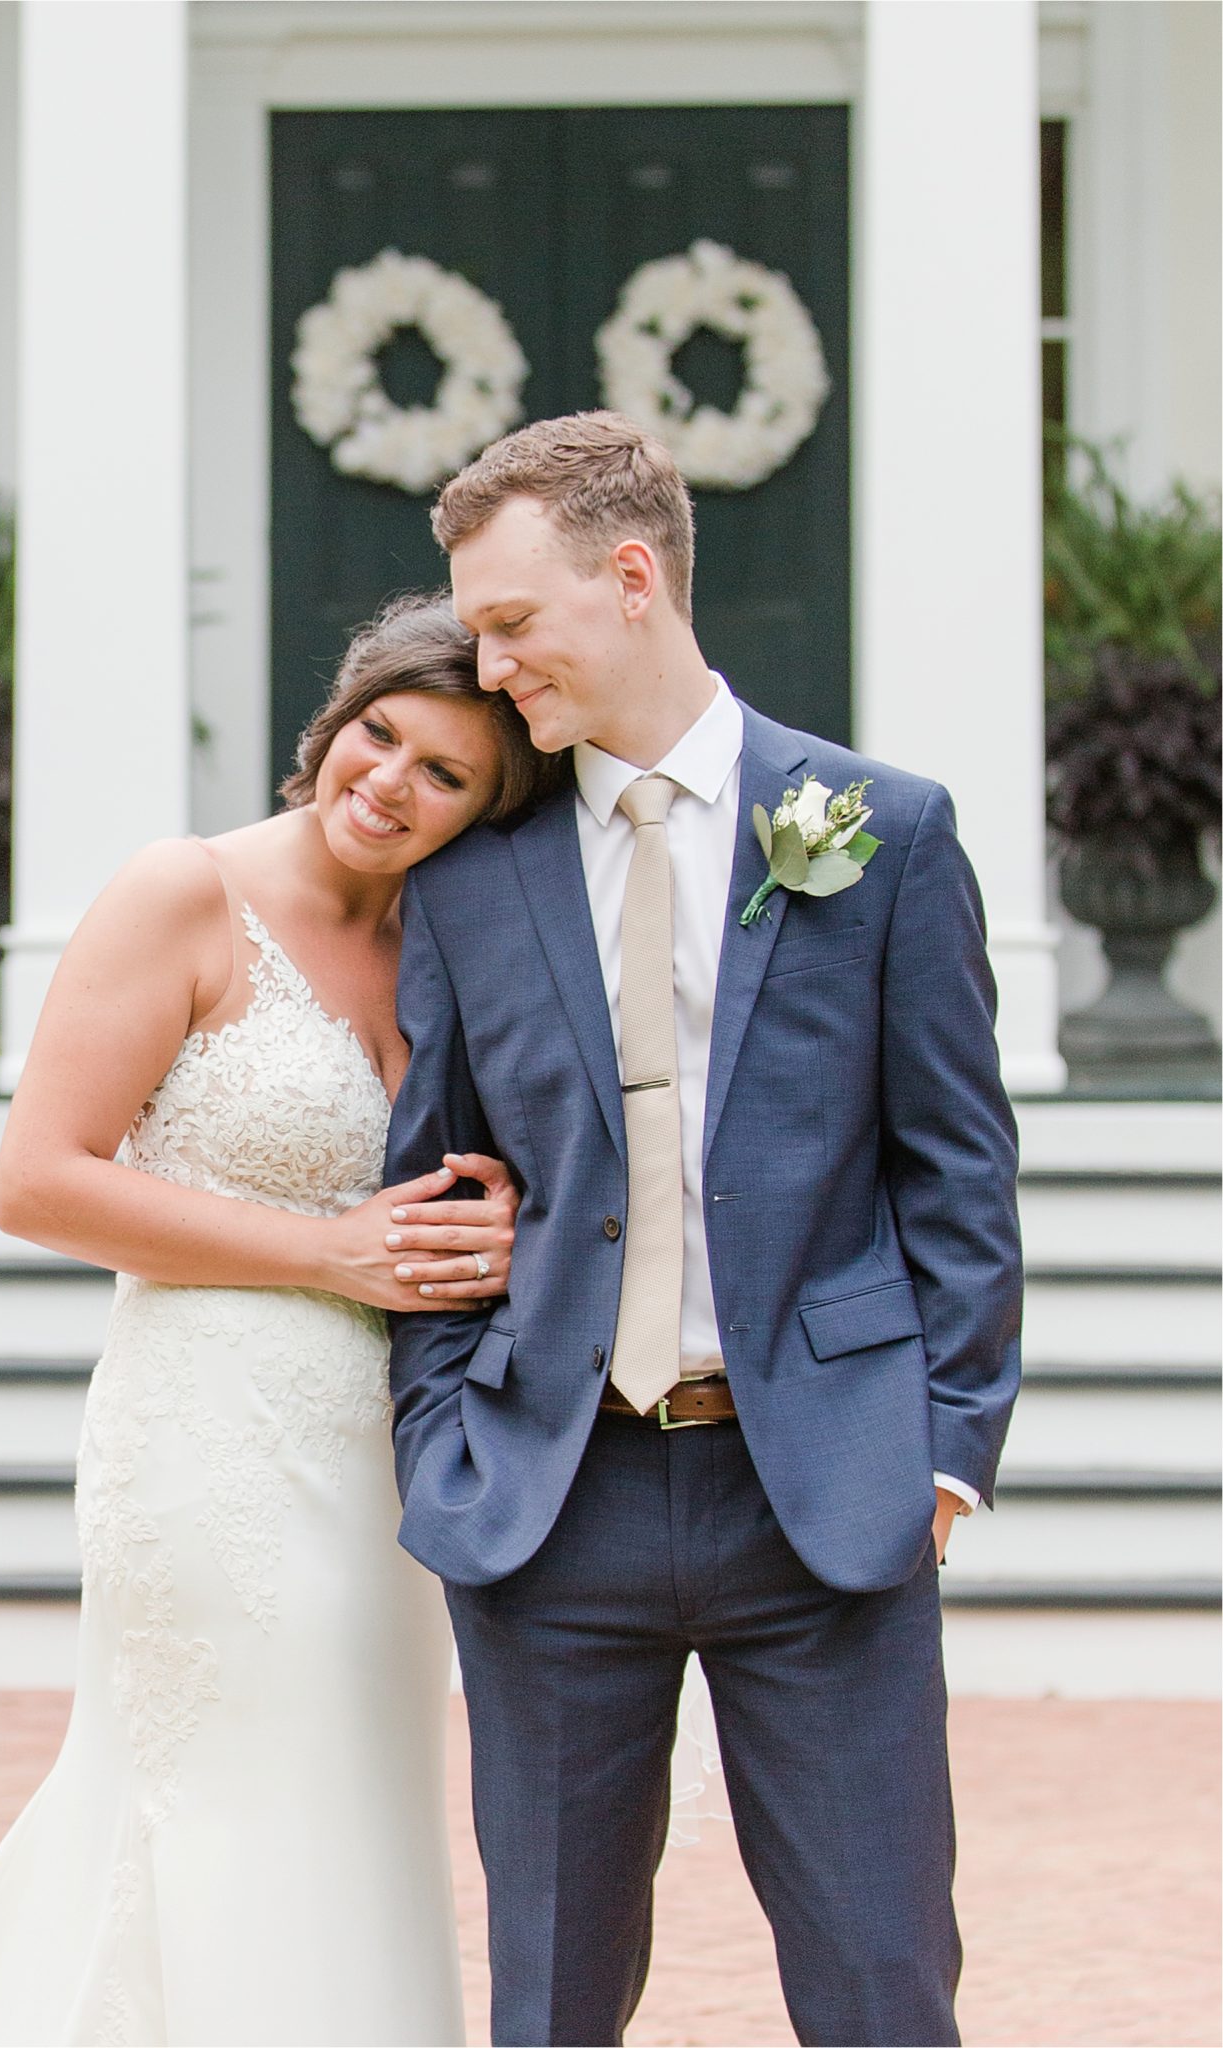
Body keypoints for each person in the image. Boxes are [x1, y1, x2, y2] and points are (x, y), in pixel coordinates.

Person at [386, 412, 1023, 2048]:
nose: (494, 664)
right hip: (552, 1501)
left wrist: (940, 1456)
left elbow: (956, 1169)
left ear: (630, 576)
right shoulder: (471, 880)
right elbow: (439, 1171)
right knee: (549, 1995)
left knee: (883, 1980)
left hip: (818, 1491)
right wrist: (445, 1434)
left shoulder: (882, 830)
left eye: (514, 624)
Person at [0, 594, 553, 2048]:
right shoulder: (184, 891)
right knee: (230, 1799)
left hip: (383, 1459)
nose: (391, 785)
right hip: (205, 1434)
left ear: (488, 809)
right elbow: (38, 1182)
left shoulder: (456, 936)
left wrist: (492, 1215)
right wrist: (330, 1254)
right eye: (381, 737)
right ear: (336, 718)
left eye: (446, 776)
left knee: (352, 1804)